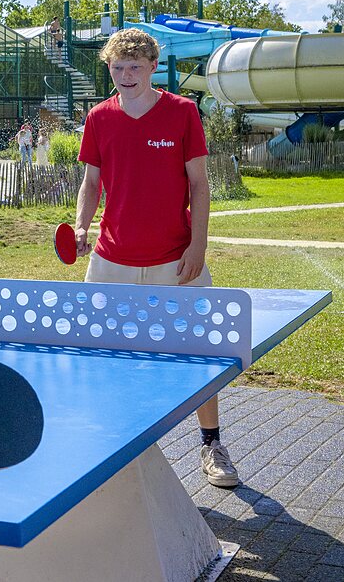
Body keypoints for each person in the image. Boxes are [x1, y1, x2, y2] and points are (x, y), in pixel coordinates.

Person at [70, 27, 238, 489]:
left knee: (200, 352)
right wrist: (82, 225)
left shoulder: (182, 112)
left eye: (135, 67)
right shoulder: (99, 117)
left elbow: (199, 184)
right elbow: (91, 183)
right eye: (117, 68)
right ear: (109, 68)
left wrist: (198, 245)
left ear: (152, 68)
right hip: (111, 260)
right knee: (100, 354)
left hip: (175, 259)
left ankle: (212, 445)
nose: (126, 76)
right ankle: (110, 445)